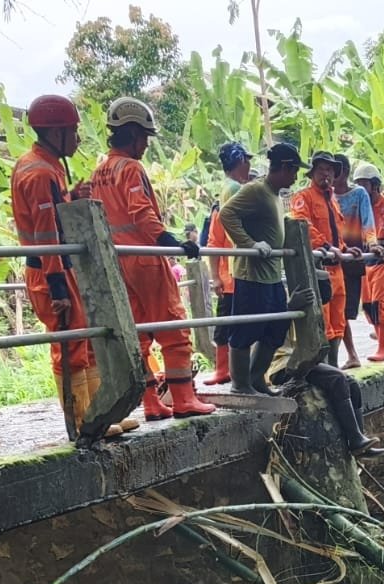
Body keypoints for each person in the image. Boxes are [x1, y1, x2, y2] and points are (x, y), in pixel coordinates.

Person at [10, 93, 134, 439]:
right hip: (50, 269)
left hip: (59, 267)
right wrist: (57, 286)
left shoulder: (46, 166)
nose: (78, 138)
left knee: (86, 342)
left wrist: (71, 198)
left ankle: (98, 413)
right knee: (70, 346)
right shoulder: (39, 173)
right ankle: (81, 422)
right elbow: (46, 230)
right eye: (73, 131)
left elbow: (50, 213)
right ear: (55, 132)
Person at [92, 96, 213, 421]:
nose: (146, 144)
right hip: (146, 259)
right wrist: (170, 242)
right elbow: (141, 212)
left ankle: (151, 402)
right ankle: (184, 399)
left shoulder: (100, 172)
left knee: (141, 335)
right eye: (144, 136)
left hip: (119, 263)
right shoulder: (130, 168)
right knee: (175, 330)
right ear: (131, 133)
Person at [219, 142, 305, 395]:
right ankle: (241, 385)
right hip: (252, 275)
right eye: (294, 170)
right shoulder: (256, 190)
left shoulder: (276, 196)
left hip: (272, 275)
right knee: (246, 329)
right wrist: (249, 244)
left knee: (276, 328)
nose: (296, 176)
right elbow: (227, 214)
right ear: (284, 167)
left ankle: (256, 378)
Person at [291, 151, 349, 363]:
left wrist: (344, 248)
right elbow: (303, 226)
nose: (327, 174)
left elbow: (336, 229)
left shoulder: (333, 200)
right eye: (322, 169)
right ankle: (322, 365)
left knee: (338, 318)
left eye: (330, 170)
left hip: (337, 267)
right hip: (319, 267)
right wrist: (325, 246)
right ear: (313, 172)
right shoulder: (303, 198)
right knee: (322, 317)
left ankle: (334, 363)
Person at [201, 142, 252, 386]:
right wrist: (216, 276)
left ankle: (231, 370)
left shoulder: (231, 197)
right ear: (239, 161)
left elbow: (213, 241)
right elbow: (215, 241)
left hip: (237, 272)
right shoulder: (231, 196)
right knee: (231, 325)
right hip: (234, 273)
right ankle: (226, 370)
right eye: (246, 160)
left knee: (235, 324)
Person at [352, 162, 384, 362]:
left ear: (374, 184)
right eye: (357, 184)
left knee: (383, 305)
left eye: (363, 183)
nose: (359, 188)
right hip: (365, 263)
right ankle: (381, 340)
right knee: (368, 306)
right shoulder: (357, 208)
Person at [332, 153, 373, 368]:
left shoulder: (358, 194)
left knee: (345, 310)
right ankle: (345, 356)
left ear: (345, 172)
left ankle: (350, 354)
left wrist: (372, 243)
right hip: (331, 258)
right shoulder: (325, 195)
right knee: (333, 309)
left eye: (335, 171)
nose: (331, 176)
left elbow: (368, 222)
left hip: (353, 257)